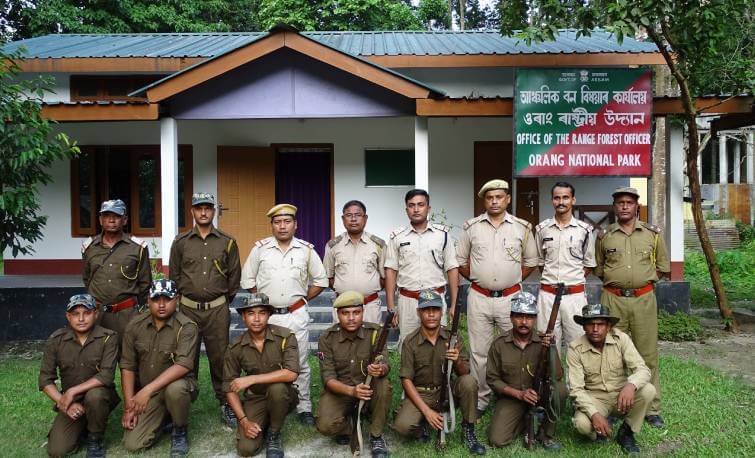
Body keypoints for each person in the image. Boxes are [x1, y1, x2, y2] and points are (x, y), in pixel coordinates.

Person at [240, 203, 328, 426]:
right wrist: (261, 304)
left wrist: (303, 299)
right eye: (277, 222)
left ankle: (303, 405)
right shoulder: (260, 249)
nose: (282, 226)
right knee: (268, 359)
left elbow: (321, 280)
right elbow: (248, 280)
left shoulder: (306, 250)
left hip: (294, 314)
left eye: (287, 221)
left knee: (298, 361)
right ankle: (269, 401)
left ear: (295, 225)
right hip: (267, 316)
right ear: (271, 225)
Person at [456, 179, 538, 415]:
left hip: (511, 300)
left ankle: (513, 396)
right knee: (479, 352)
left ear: (508, 199)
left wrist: (510, 280)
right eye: (490, 197)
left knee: (514, 349)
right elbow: (460, 261)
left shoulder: (522, 228)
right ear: (484, 200)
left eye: (499, 197)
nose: (494, 201)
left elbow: (531, 262)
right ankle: (481, 399)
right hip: (479, 298)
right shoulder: (472, 228)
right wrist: (477, 278)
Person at [595, 187, 670, 428]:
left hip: (643, 300)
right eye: (620, 203)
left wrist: (641, 283)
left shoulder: (652, 234)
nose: (625, 206)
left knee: (647, 354)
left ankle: (651, 408)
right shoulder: (605, 236)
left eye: (629, 202)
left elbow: (661, 266)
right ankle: (611, 404)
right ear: (614, 207)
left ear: (637, 206)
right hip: (613, 300)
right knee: (611, 353)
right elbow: (599, 268)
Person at [169, 192, 241, 428]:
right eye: (199, 208)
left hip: (217, 310)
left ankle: (226, 403)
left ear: (214, 211)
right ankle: (182, 404)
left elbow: (233, 278)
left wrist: (218, 300)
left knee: (220, 358)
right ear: (192, 211)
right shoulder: (180, 243)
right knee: (185, 357)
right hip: (187, 310)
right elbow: (175, 276)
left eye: (208, 208)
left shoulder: (227, 242)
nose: (203, 212)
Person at [392, 290, 485, 455]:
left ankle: (468, 429)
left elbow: (465, 373)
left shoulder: (452, 337)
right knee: (402, 426)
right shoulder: (410, 342)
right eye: (426, 310)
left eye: (435, 309)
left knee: (469, 382)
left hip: (447, 390)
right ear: (418, 312)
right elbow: (406, 380)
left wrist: (456, 360)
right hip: (422, 394)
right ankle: (422, 425)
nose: (431, 314)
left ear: (441, 312)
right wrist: (427, 412)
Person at [120, 279, 199, 456]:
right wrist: (129, 406)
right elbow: (127, 365)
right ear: (148, 300)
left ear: (176, 299)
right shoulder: (135, 325)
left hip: (177, 387)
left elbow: (183, 365)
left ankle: (179, 430)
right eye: (156, 299)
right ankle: (163, 419)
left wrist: (146, 390)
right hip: (149, 395)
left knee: (176, 389)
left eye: (167, 299)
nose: (161, 305)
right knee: (133, 444)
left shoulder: (187, 327)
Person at [567, 303, 656, 454]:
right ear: (583, 327)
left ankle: (626, 432)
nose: (595, 329)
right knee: (581, 424)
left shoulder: (621, 339)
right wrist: (594, 414)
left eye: (600, 324)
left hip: (621, 396)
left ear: (608, 327)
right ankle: (599, 431)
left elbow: (643, 369)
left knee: (648, 390)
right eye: (590, 324)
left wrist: (630, 386)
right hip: (595, 398)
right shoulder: (575, 348)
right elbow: (576, 389)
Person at [39, 294, 119, 458]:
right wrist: (64, 402)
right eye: (75, 314)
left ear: (96, 314)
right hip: (71, 402)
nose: (81, 318)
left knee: (95, 396)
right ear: (68, 316)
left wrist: (71, 392)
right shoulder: (56, 340)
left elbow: (106, 376)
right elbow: (45, 379)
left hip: (100, 396)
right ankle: (82, 427)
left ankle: (95, 438)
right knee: (57, 450)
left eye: (87, 313)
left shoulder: (108, 338)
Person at [315, 291, 391, 458]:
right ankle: (349, 424)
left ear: (363, 312)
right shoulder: (327, 338)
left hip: (368, 389)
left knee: (384, 385)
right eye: (345, 313)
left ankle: (376, 435)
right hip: (342, 391)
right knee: (325, 425)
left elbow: (386, 364)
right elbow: (328, 379)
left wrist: (380, 369)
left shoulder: (375, 333)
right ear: (338, 314)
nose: (351, 318)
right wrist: (352, 391)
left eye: (356, 312)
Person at [486, 292, 566, 450]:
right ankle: (525, 421)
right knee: (497, 440)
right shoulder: (499, 344)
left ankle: (545, 432)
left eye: (529, 317)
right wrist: (519, 394)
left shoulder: (543, 341)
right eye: (519, 316)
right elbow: (492, 379)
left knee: (561, 390)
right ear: (511, 317)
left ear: (535, 319)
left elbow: (557, 376)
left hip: (539, 394)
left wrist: (552, 348)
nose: (524, 322)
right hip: (512, 397)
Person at [223, 293, 299, 458]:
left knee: (277, 389)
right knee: (246, 449)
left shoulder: (285, 337)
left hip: (283, 394)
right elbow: (229, 387)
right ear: (243, 317)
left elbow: (291, 373)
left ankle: (274, 433)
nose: (256, 319)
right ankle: (263, 422)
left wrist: (252, 378)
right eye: (251, 313)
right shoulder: (236, 346)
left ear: (269, 315)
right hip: (256, 397)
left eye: (262, 313)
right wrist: (244, 421)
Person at [385, 189, 459, 350]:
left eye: (420, 205)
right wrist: (391, 306)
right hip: (409, 301)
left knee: (439, 346)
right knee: (408, 345)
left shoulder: (443, 235)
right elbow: (391, 271)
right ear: (406, 210)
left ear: (428, 208)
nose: (416, 209)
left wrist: (454, 304)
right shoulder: (397, 237)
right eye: (411, 206)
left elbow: (452, 268)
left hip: (436, 300)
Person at [81, 199, 151, 344]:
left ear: (124, 220)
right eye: (107, 216)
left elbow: (145, 283)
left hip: (126, 314)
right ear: (101, 220)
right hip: (97, 314)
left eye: (117, 216)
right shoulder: (90, 247)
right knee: (97, 358)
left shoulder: (137, 248)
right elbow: (87, 278)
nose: (111, 220)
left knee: (128, 359)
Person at [535, 182, 596, 346]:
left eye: (565, 198)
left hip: (574, 297)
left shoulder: (584, 230)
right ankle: (552, 373)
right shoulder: (542, 229)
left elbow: (589, 264)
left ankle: (574, 374)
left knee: (577, 345)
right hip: (548, 295)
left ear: (573, 200)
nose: (561, 202)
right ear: (552, 201)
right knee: (547, 345)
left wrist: (572, 280)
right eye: (557, 198)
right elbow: (541, 261)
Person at [323, 200, 386, 324]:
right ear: (343, 219)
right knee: (341, 342)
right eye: (349, 215)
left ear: (365, 218)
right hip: (343, 307)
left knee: (371, 341)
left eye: (357, 215)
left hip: (369, 306)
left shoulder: (378, 245)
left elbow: (384, 278)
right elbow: (329, 277)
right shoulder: (333, 246)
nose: (353, 219)